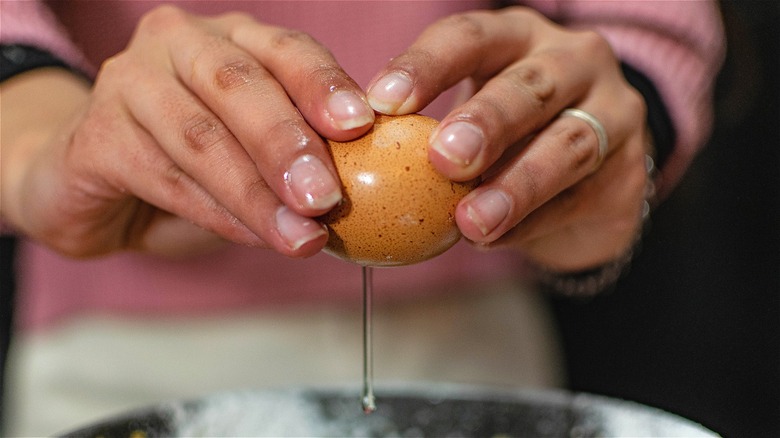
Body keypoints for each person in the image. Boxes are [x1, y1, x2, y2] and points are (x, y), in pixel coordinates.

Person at [0, 0, 725, 435]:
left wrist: (606, 127)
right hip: (119, 356)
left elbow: (646, 17)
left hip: (468, 345)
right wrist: (35, 129)